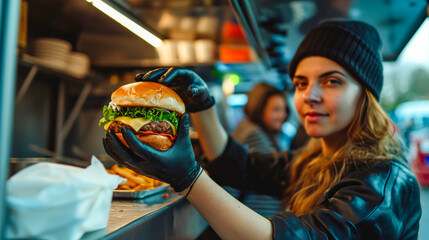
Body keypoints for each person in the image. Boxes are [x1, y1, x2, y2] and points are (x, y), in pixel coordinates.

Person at [103, 20, 422, 239]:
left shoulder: (384, 183)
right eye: (300, 82)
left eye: (331, 81)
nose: (309, 95)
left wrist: (188, 178)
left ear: (365, 95)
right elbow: (240, 166)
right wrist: (202, 105)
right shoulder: (316, 159)